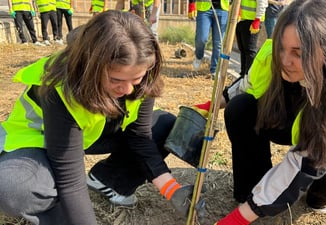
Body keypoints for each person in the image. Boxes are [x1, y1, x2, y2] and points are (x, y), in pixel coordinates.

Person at [0, 10, 202, 225]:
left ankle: (109, 180)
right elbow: (69, 177)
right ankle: (54, 212)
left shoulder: (142, 75)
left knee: (165, 127)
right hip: (39, 140)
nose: (126, 89)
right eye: (116, 79)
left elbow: (140, 138)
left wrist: (172, 190)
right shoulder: (60, 86)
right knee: (14, 188)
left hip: (93, 133)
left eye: (136, 78)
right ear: (91, 67)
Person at [215, 0, 326, 224]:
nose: (285, 60)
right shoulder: (271, 53)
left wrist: (235, 220)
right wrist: (211, 105)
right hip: (297, 124)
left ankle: (317, 195)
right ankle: (253, 188)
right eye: (282, 47)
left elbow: (308, 160)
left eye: (298, 52)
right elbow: (247, 84)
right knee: (240, 108)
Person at [188, 0, 229, 78]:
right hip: (204, 9)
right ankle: (198, 56)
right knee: (201, 39)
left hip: (222, 10)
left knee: (218, 43)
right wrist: (191, 4)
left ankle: (214, 70)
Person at [235, 0, 268, 77]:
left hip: (252, 21)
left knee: (249, 50)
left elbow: (262, 3)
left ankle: (248, 76)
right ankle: (243, 74)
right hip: (241, 19)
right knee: (242, 49)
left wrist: (257, 19)